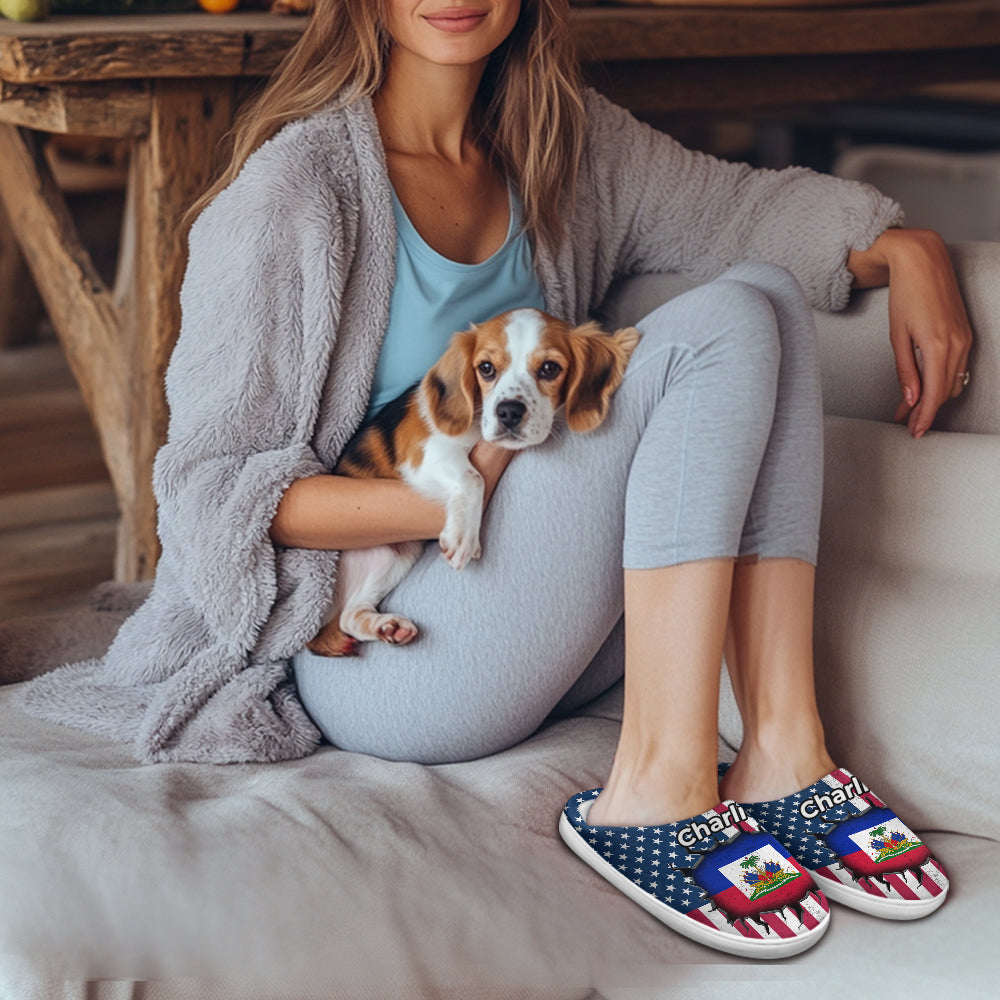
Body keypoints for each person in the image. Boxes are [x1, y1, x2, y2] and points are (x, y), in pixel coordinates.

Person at [21, 0, 971, 957]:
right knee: (726, 322)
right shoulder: (294, 196)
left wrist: (900, 244)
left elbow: (741, 210)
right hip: (387, 657)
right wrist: (450, 490)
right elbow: (208, 498)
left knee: (765, 294)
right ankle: (657, 786)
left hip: (538, 614)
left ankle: (784, 755)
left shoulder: (565, 148)